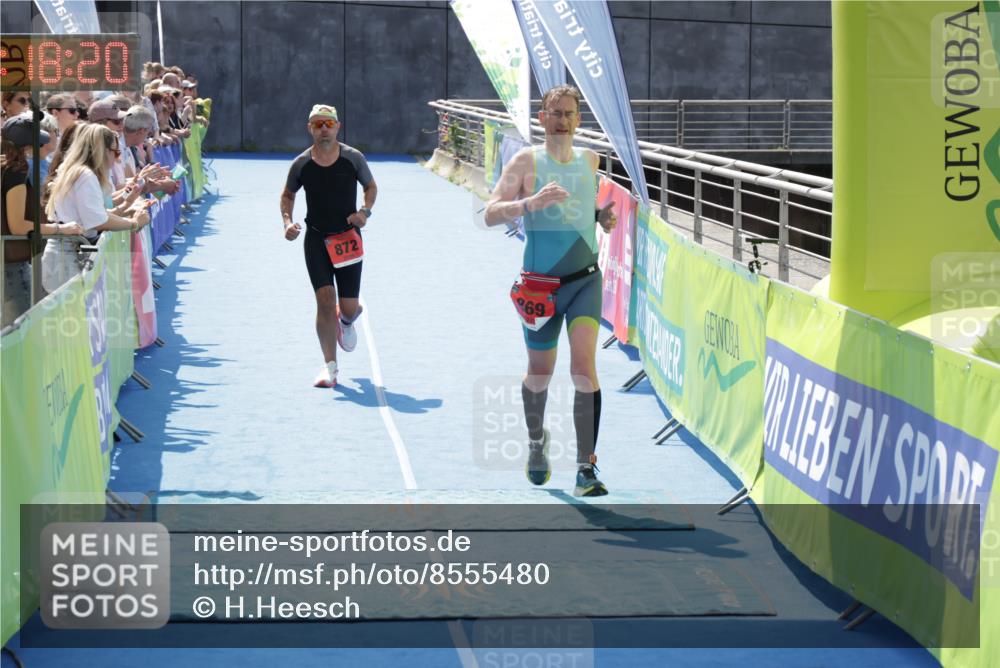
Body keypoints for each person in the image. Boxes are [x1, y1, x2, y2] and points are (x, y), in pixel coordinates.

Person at [484, 85, 617, 497]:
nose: (562, 119)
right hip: (540, 287)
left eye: (570, 113)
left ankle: (585, 467)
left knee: (583, 369)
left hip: (585, 280)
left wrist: (601, 216)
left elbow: (577, 206)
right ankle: (537, 441)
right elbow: (489, 213)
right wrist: (529, 204)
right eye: (555, 112)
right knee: (540, 373)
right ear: (541, 118)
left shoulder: (591, 160)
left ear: (579, 119)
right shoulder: (526, 161)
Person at [280, 104, 377, 388]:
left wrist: (364, 213)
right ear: (310, 128)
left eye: (329, 123)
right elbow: (287, 194)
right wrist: (287, 221)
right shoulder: (301, 164)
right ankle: (330, 367)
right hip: (317, 238)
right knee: (324, 300)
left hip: (347, 238)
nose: (324, 128)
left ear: (337, 127)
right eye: (318, 123)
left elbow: (371, 187)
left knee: (347, 307)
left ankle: (346, 321)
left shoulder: (353, 158)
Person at [41, 124, 150, 293]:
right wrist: (134, 223)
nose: (117, 158)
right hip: (68, 255)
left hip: (69, 252)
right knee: (72, 317)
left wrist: (126, 207)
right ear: (102, 150)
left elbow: (94, 216)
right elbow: (98, 221)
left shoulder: (78, 172)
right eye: (116, 152)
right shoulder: (85, 175)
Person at [1, 116, 83, 325]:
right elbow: (18, 226)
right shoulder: (15, 172)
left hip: (10, 265)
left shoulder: (8, 168)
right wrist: (61, 229)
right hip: (11, 267)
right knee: (18, 335)